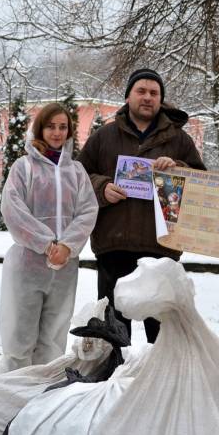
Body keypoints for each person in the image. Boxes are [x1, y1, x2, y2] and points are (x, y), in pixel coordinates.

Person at [78, 68, 205, 343]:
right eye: (141, 91)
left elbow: (200, 184)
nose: (147, 97)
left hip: (159, 251)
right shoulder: (104, 136)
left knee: (160, 337)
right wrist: (102, 188)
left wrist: (177, 169)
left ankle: (159, 384)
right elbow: (77, 176)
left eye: (154, 93)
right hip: (113, 247)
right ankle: (110, 381)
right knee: (112, 335)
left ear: (160, 99)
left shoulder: (179, 140)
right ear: (128, 96)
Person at [0, 102, 98, 373]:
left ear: (69, 131)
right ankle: (10, 400)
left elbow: (88, 210)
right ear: (40, 128)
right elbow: (13, 209)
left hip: (64, 268)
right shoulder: (24, 167)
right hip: (28, 264)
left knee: (54, 341)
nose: (56, 132)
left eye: (62, 127)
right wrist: (46, 243)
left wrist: (67, 246)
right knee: (19, 339)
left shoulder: (76, 172)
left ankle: (42, 399)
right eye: (51, 126)